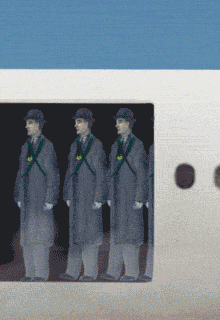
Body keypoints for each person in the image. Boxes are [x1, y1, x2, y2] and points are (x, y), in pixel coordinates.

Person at [60, 108, 107, 281]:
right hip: (75, 196)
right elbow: (69, 171)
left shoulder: (96, 145)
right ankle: (72, 272)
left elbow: (101, 173)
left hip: (89, 196)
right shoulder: (74, 145)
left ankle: (89, 273)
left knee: (90, 235)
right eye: (76, 122)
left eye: (79, 122)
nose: (76, 125)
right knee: (75, 235)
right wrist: (66, 193)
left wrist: (98, 197)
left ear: (87, 123)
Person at [101, 108, 147, 282]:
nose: (117, 125)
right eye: (117, 122)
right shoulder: (116, 145)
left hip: (131, 196)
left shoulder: (137, 145)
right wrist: (108, 194)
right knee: (116, 234)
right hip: (117, 197)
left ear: (128, 123)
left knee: (130, 235)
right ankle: (113, 272)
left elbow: (141, 173)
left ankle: (131, 273)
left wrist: (140, 197)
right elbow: (111, 172)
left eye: (120, 122)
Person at [14, 109, 60, 281]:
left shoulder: (47, 146)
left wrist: (50, 198)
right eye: (27, 123)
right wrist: (18, 195)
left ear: (39, 125)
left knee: (40, 236)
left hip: (41, 198)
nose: (27, 126)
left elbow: (53, 174)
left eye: (30, 123)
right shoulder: (25, 146)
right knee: (27, 237)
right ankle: (29, 274)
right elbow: (21, 173)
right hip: (27, 198)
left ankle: (41, 274)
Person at [140, 142, 154, 281]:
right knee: (153, 237)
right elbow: (148, 174)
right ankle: (149, 272)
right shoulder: (153, 147)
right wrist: (146, 197)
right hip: (153, 195)